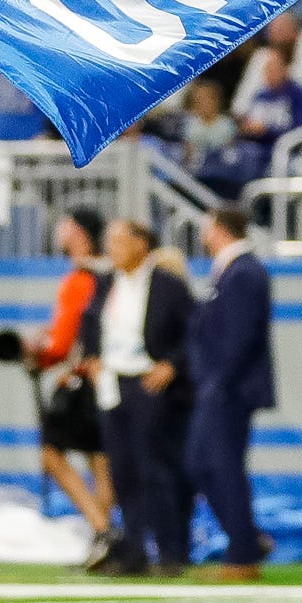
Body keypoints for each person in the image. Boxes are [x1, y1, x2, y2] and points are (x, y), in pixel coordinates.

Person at [82, 218, 198, 576]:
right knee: (123, 470)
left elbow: (193, 332)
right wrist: (92, 358)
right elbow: (90, 322)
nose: (111, 250)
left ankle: (171, 552)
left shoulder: (168, 286)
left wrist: (171, 365)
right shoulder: (105, 283)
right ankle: (134, 552)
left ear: (140, 245)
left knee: (155, 468)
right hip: (114, 382)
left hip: (148, 383)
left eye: (118, 242)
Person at [29, 207, 116, 571]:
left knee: (52, 454)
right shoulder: (112, 275)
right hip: (109, 378)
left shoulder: (79, 281)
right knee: (101, 460)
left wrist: (38, 350)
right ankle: (107, 537)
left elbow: (62, 345)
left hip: (81, 381)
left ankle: (102, 529)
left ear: (78, 232)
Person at [191, 204, 275, 581]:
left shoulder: (243, 272)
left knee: (224, 468)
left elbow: (240, 337)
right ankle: (247, 538)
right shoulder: (230, 270)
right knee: (200, 464)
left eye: (208, 228)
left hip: (229, 390)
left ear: (221, 229)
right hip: (220, 386)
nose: (204, 235)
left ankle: (243, 555)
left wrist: (218, 383)